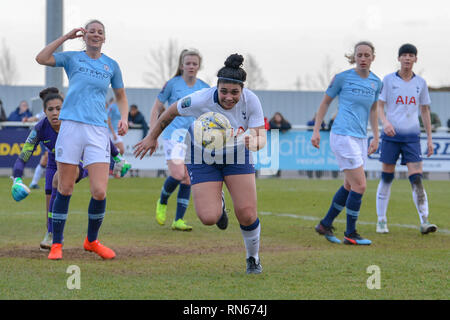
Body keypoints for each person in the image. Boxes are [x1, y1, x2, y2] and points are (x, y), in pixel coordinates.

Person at [134, 54, 267, 274]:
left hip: (237, 155)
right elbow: (170, 111)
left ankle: (252, 258)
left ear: (242, 90)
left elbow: (261, 138)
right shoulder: (200, 99)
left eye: (235, 92)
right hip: (203, 156)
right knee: (208, 218)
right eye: (224, 91)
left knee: (247, 214)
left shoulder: (251, 100)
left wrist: (253, 143)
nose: (228, 97)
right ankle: (220, 203)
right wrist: (152, 136)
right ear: (217, 87)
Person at [35, 20, 129, 260]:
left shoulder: (111, 65)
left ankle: (92, 241)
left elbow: (120, 95)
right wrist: (65, 37)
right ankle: (56, 244)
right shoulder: (73, 58)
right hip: (72, 128)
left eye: (100, 32)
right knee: (65, 187)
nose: (96, 35)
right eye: (91, 31)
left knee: (99, 191)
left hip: (98, 131)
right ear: (84, 36)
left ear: (104, 38)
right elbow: (41, 58)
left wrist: (124, 118)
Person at [11, 87, 128, 251]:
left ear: (64, 108)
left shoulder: (74, 121)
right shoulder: (39, 128)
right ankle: (52, 234)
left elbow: (98, 134)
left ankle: (58, 238)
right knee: (49, 205)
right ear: (44, 111)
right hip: (54, 163)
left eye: (58, 108)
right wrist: (16, 179)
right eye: (50, 109)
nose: (54, 113)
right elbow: (24, 155)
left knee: (57, 179)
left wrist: (116, 156)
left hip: (77, 162)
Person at [311, 41, 381, 245]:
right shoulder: (342, 78)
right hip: (342, 135)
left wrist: (376, 136)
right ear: (354, 57)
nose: (363, 58)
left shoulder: (377, 82)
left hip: (360, 138)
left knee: (350, 185)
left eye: (367, 55)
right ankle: (351, 233)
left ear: (373, 58)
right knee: (360, 185)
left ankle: (325, 224)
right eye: (359, 55)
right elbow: (325, 103)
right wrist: (316, 130)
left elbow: (374, 110)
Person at [376, 43, 437, 235]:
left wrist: (429, 139)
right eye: (404, 55)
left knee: (416, 178)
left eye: (411, 55)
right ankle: (381, 220)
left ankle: (425, 221)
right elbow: (379, 106)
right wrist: (385, 122)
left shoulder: (421, 83)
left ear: (416, 59)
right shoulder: (388, 80)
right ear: (399, 58)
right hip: (391, 137)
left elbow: (425, 110)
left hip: (412, 137)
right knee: (387, 177)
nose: (408, 59)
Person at [148, 49, 209, 231]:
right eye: (188, 63)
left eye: (194, 63)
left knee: (188, 179)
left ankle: (178, 220)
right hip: (172, 135)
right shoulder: (172, 84)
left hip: (193, 138)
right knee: (177, 174)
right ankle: (163, 201)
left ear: (199, 66)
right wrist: (153, 133)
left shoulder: (204, 87)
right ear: (182, 65)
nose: (191, 66)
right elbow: (156, 108)